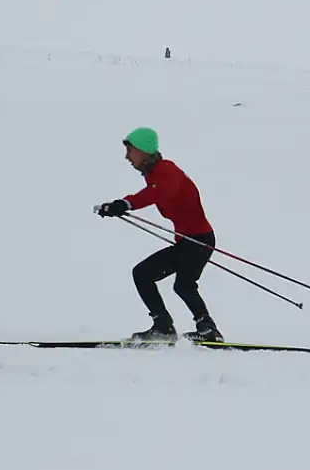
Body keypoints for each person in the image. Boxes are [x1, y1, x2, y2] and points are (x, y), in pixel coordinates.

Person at [94, 127, 224, 343]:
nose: (127, 157)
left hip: (199, 240)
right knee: (143, 273)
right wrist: (117, 206)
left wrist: (126, 203)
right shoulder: (155, 175)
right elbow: (155, 191)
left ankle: (208, 329)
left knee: (184, 285)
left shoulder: (166, 171)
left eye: (130, 150)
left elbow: (160, 192)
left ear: (144, 150)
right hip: (186, 242)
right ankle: (163, 327)